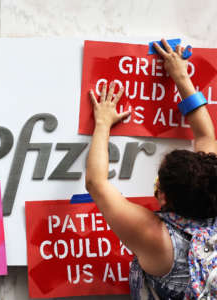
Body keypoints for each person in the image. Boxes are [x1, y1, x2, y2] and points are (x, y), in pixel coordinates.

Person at [85, 39, 217, 299]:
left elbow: (96, 184)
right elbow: (205, 134)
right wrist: (180, 75)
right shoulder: (211, 183)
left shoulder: (158, 239)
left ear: (164, 197)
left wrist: (102, 123)